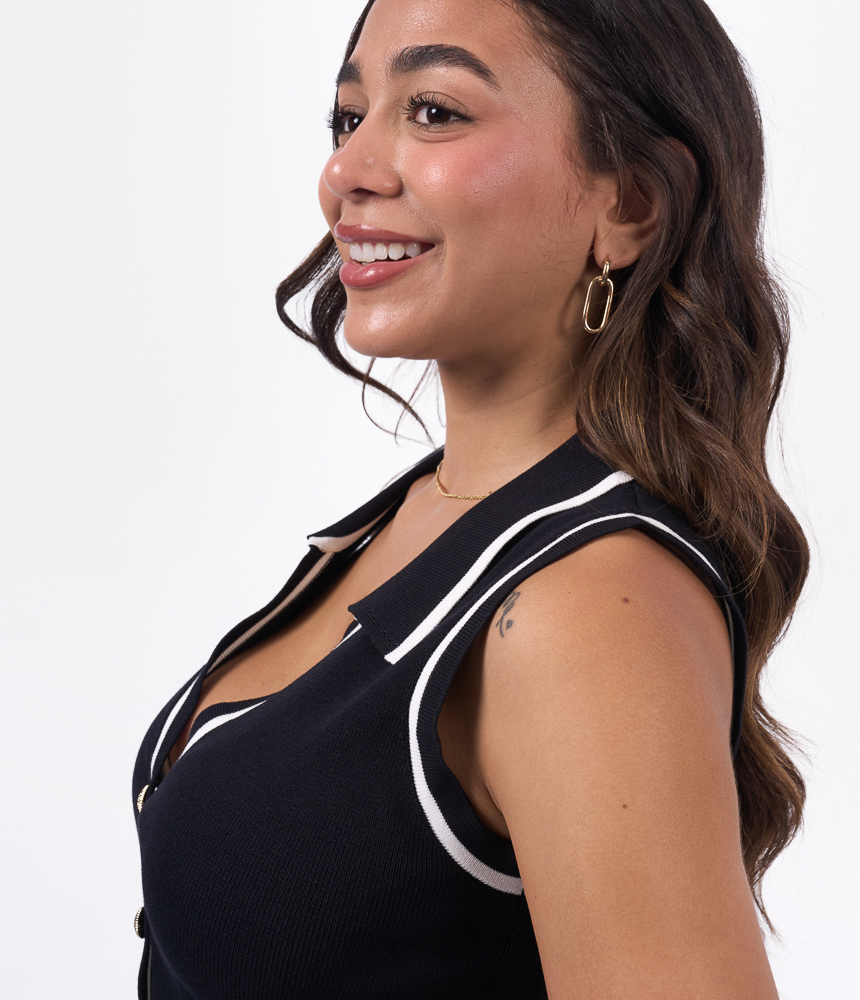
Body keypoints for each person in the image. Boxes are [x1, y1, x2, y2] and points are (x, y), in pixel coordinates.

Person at [131, 0, 809, 997]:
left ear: (630, 205)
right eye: (348, 116)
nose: (349, 169)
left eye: (435, 111)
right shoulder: (419, 518)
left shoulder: (584, 607)